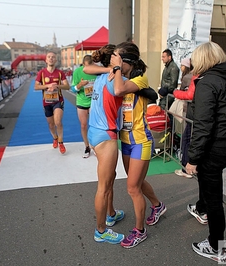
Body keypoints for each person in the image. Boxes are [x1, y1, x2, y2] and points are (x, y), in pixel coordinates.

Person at [185, 42, 226, 262]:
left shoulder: (207, 83)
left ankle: (215, 246)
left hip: (216, 147)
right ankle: (201, 208)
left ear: (202, 60)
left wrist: (192, 159)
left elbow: (202, 126)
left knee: (214, 196)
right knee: (209, 183)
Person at [110, 42, 166, 248]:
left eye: (117, 58)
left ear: (128, 62)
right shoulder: (120, 76)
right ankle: (158, 206)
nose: (113, 62)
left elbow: (118, 90)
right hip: (125, 141)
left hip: (141, 141)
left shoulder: (140, 79)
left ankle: (140, 231)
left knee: (132, 188)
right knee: (138, 183)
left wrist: (116, 69)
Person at [83, 44, 125, 244]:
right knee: (104, 186)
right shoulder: (116, 80)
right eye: (119, 56)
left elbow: (88, 68)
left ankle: (111, 214)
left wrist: (111, 69)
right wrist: (116, 70)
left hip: (94, 133)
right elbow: (123, 89)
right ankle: (100, 231)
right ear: (114, 59)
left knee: (111, 178)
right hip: (106, 136)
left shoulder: (100, 77)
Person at [35, 51, 70, 154]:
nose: (51, 58)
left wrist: (57, 86)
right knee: (51, 124)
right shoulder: (41, 73)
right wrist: (47, 86)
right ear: (46, 60)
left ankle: (61, 141)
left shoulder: (60, 73)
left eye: (53, 57)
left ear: (56, 60)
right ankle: (55, 137)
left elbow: (67, 86)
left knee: (58, 122)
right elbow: (36, 86)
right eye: (49, 57)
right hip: (46, 102)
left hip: (58, 101)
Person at [173, 58, 196, 179]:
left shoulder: (191, 77)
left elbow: (188, 94)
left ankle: (186, 168)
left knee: (187, 139)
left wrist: (175, 92)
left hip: (193, 112)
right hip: (198, 113)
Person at [70, 55, 96, 158]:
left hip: (94, 101)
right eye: (86, 67)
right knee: (83, 125)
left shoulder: (97, 71)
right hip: (82, 102)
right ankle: (87, 146)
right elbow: (72, 89)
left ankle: (94, 146)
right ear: (83, 64)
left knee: (94, 125)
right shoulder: (77, 72)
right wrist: (80, 85)